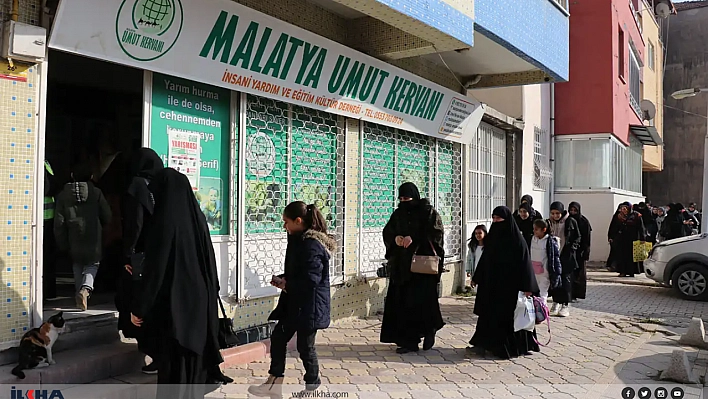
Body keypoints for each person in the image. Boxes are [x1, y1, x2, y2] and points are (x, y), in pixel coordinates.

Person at [130, 168, 223, 399]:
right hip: (200, 301)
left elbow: (156, 272)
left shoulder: (164, 223)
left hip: (175, 307)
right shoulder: (197, 218)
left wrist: (140, 308)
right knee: (193, 366)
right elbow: (210, 262)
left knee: (173, 368)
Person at [249, 202, 335, 397]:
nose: (284, 227)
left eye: (286, 222)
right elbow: (298, 271)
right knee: (278, 338)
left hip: (309, 305)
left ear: (298, 221)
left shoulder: (312, 244)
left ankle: (313, 386)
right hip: (295, 303)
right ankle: (274, 382)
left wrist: (287, 284)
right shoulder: (297, 239)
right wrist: (284, 279)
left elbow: (311, 279)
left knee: (306, 347)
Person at [380, 182, 445, 354]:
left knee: (424, 303)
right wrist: (396, 240)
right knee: (403, 303)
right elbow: (388, 232)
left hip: (422, 269)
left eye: (407, 198)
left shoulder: (428, 213)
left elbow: (436, 235)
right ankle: (409, 341)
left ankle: (429, 330)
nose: (404, 201)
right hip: (403, 269)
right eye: (401, 199)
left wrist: (415, 239)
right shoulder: (398, 214)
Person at [467, 206, 540, 359]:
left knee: (508, 318)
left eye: (499, 219)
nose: (495, 222)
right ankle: (483, 344)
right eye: (493, 218)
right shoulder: (492, 238)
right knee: (488, 315)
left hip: (509, 287)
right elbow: (485, 259)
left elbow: (525, 264)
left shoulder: (517, 240)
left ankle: (507, 347)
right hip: (491, 285)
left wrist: (528, 287)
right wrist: (476, 277)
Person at [118, 148, 164, 374]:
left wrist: (128, 253)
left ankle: (151, 351)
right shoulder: (161, 186)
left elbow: (135, 223)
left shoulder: (137, 186)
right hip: (159, 253)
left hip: (140, 255)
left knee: (137, 300)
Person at [54, 163, 112, 311]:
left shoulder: (62, 195)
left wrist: (62, 243)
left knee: (77, 264)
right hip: (93, 235)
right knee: (92, 264)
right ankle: (85, 289)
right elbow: (107, 215)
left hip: (73, 236)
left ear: (72, 176)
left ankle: (78, 296)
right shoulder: (96, 193)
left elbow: (59, 223)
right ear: (91, 176)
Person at [547, 202, 580, 317]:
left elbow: (577, 237)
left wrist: (571, 249)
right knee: (555, 280)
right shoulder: (548, 222)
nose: (555, 216)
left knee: (566, 280)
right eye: (553, 213)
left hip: (566, 256)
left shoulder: (570, 221)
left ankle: (565, 305)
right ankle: (556, 302)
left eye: (557, 213)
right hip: (553, 256)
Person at [607, 202, 646, 278]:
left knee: (631, 256)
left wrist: (642, 238)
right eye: (622, 208)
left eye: (625, 208)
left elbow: (641, 228)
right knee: (621, 256)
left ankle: (631, 272)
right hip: (621, 239)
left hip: (632, 239)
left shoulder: (636, 216)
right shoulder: (618, 216)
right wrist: (611, 237)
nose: (624, 210)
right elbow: (613, 227)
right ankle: (622, 271)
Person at [530, 219, 562, 307]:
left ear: (543, 230)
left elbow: (555, 258)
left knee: (543, 293)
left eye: (536, 229)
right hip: (533, 272)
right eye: (533, 229)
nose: (534, 231)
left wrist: (556, 273)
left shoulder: (550, 242)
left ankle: (542, 311)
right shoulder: (531, 239)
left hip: (544, 272)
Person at [568, 201, 592, 301]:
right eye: (571, 210)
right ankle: (570, 294)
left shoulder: (583, 221)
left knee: (579, 274)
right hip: (570, 250)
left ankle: (577, 294)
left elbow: (587, 238)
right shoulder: (567, 220)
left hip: (580, 251)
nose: (573, 212)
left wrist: (586, 251)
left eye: (575, 210)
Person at [43, 160, 59, 299]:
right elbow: (48, 187)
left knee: (48, 255)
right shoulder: (42, 163)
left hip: (47, 216)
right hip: (43, 217)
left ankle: (48, 290)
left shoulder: (45, 163)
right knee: (46, 256)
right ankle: (46, 291)